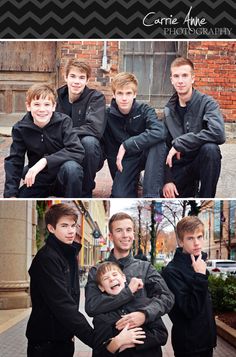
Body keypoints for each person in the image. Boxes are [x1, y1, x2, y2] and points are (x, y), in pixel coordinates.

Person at [85, 212, 174, 336]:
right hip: (110, 346)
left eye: (128, 230)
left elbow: (166, 297)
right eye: (119, 230)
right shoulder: (97, 270)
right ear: (110, 236)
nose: (125, 235)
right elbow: (92, 306)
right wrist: (127, 293)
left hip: (146, 346)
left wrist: (145, 314)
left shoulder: (146, 268)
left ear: (133, 234)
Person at [26, 203, 94, 357]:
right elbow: (63, 304)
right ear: (51, 228)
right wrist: (95, 339)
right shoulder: (47, 259)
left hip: (63, 338)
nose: (71, 231)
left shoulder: (68, 254)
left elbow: (72, 297)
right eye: (64, 226)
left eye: (73, 225)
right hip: (46, 343)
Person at [4, 83, 84, 198]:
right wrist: (11, 194)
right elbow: (15, 160)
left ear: (53, 106)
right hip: (39, 178)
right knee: (21, 197)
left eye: (47, 104)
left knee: (72, 168)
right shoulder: (20, 128)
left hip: (62, 177)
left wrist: (44, 161)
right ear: (28, 106)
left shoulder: (64, 122)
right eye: (36, 104)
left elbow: (77, 150)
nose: (42, 109)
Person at [163, 57, 225, 198]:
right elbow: (163, 146)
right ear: (171, 79)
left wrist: (181, 143)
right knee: (167, 196)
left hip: (201, 161)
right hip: (181, 166)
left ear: (193, 78)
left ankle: (206, 196)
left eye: (185, 75)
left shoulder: (208, 103)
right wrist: (167, 180)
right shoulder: (168, 110)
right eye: (176, 76)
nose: (180, 81)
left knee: (211, 149)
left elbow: (219, 133)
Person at [102, 72, 167, 198]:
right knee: (119, 196)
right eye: (120, 93)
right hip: (125, 161)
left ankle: (151, 195)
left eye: (128, 93)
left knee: (158, 142)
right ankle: (135, 180)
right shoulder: (106, 115)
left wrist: (127, 144)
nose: (124, 98)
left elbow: (160, 131)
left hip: (146, 155)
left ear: (135, 94)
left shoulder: (144, 109)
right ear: (114, 95)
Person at [162, 216, 217, 357]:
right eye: (190, 238)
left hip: (206, 341)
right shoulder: (172, 271)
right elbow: (189, 310)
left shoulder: (199, 263)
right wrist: (200, 276)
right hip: (189, 345)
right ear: (180, 241)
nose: (197, 243)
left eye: (199, 237)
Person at [92, 261, 168, 356]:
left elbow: (162, 335)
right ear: (101, 287)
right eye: (106, 278)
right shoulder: (102, 317)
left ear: (123, 278)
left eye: (115, 274)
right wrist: (117, 342)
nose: (111, 279)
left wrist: (132, 341)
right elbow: (99, 352)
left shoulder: (145, 304)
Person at [56, 59, 106, 197]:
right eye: (72, 76)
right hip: (63, 148)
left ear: (87, 80)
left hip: (89, 153)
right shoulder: (56, 97)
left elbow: (95, 129)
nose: (76, 81)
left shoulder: (96, 98)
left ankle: (85, 191)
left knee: (89, 141)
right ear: (65, 77)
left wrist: (64, 133)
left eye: (81, 77)